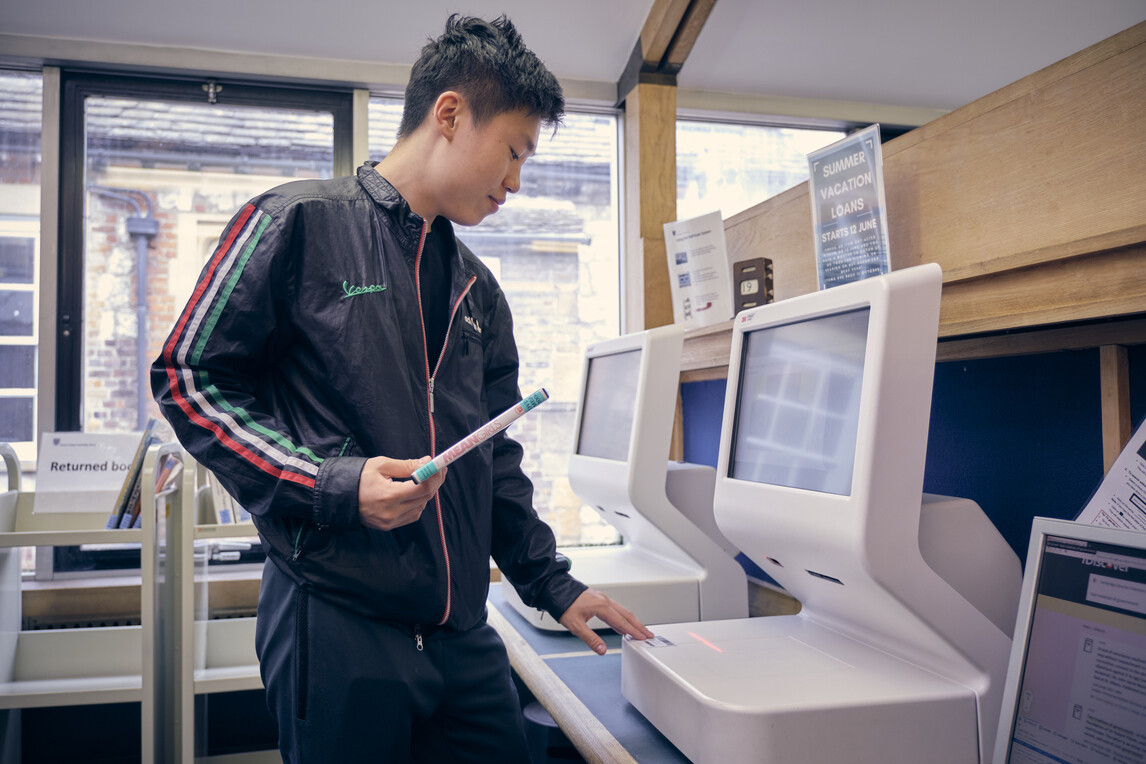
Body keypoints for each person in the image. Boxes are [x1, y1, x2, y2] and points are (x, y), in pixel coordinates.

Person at [151, 13, 653, 764]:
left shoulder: (479, 293)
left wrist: (552, 584)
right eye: (513, 151)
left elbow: (494, 461)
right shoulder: (296, 223)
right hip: (337, 628)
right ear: (449, 114)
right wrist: (332, 484)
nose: (517, 181)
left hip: (462, 637)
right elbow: (187, 378)